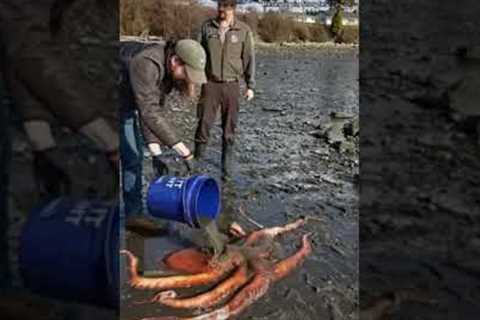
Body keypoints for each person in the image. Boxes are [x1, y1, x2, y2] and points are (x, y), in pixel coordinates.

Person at [119, 39, 207, 231]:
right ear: (176, 61)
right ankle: (131, 215)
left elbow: (152, 111)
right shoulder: (147, 64)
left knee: (133, 156)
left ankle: (132, 212)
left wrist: (155, 152)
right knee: (131, 157)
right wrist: (185, 152)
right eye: (187, 73)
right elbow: (149, 112)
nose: (187, 79)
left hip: (130, 102)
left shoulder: (166, 72)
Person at [195, 0, 256, 180]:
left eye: (226, 7)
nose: (222, 10)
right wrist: (195, 79)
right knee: (204, 123)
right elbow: (198, 54)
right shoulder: (207, 28)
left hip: (232, 85)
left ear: (233, 9)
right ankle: (197, 164)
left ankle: (226, 168)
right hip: (210, 84)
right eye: (220, 6)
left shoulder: (243, 30)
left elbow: (249, 59)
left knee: (229, 127)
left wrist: (250, 85)